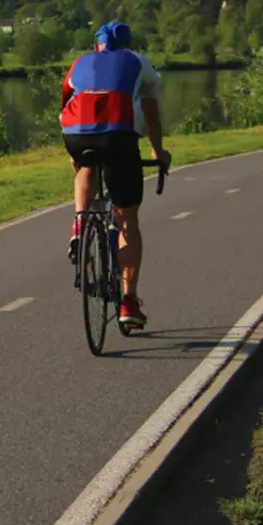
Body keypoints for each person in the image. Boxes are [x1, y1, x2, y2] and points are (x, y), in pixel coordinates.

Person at [60, 22, 169, 330]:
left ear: (97, 46)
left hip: (76, 134)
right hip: (119, 138)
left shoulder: (79, 62)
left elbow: (66, 105)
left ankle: (80, 222)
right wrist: (158, 151)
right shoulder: (138, 62)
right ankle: (129, 301)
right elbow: (151, 112)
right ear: (126, 45)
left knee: (85, 166)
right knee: (128, 221)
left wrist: (73, 154)